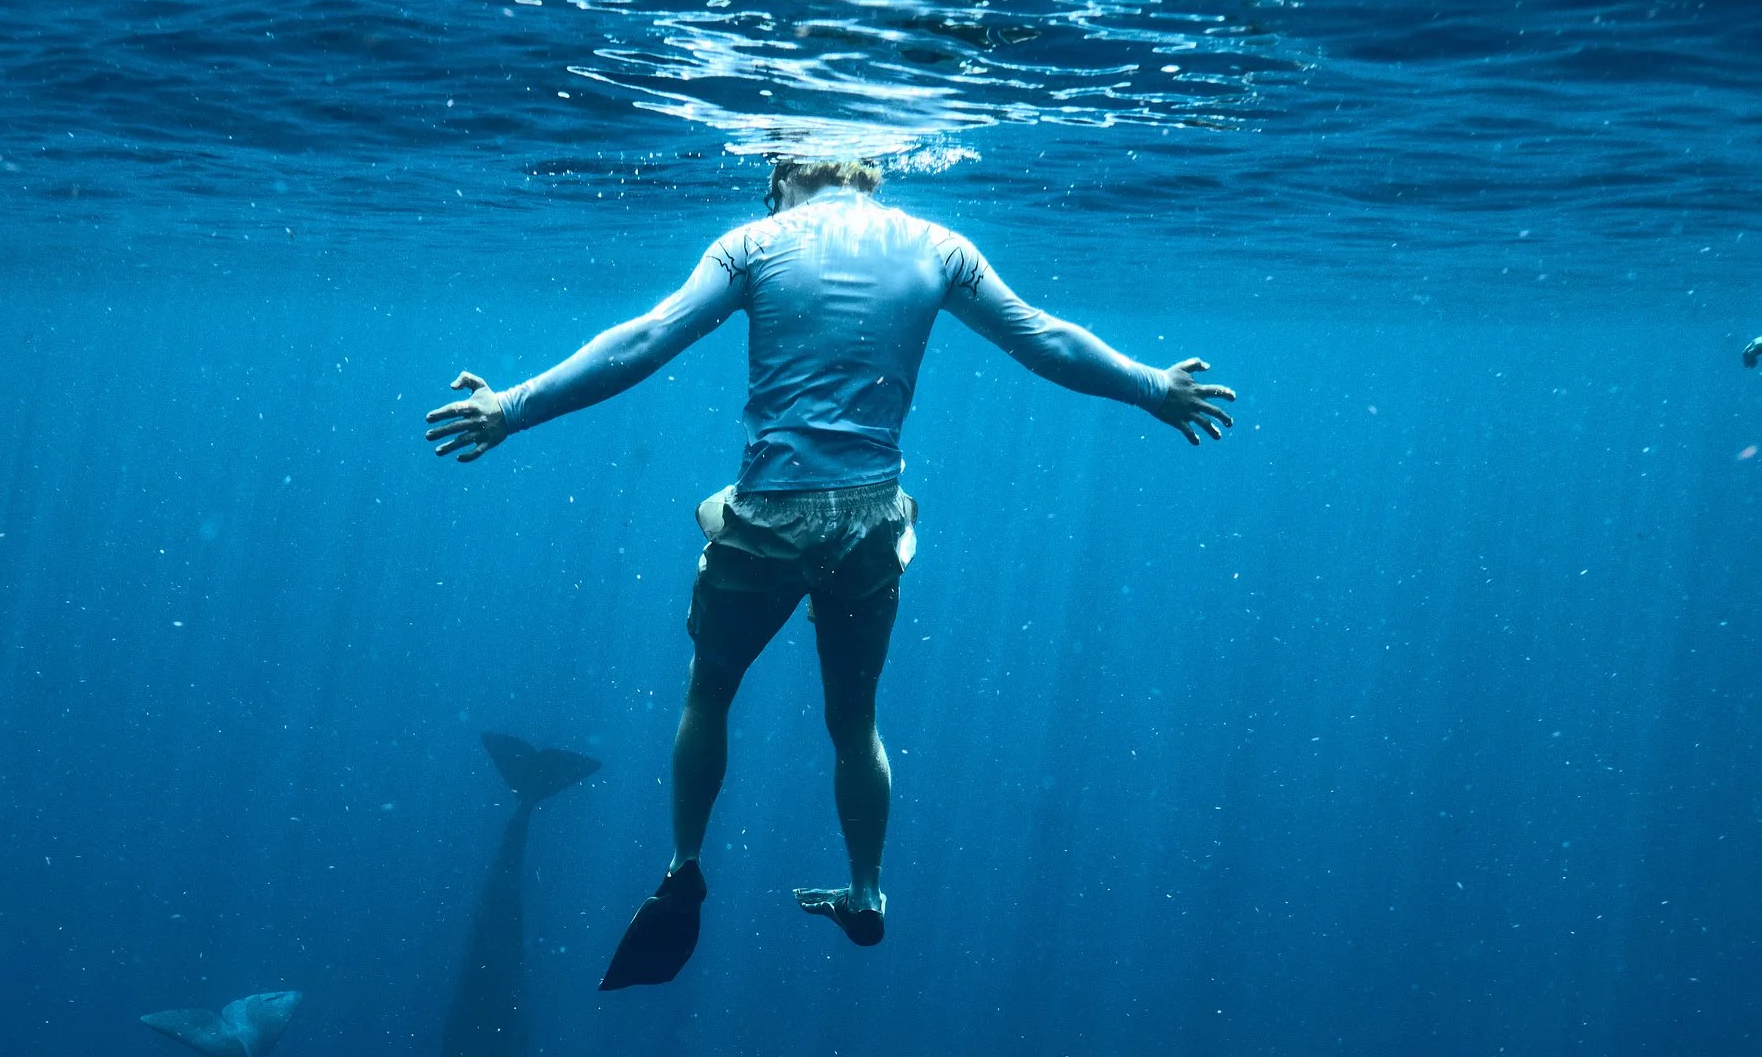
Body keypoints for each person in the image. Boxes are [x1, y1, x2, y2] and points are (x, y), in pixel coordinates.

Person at [424, 156, 1236, 988]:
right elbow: (1045, 336)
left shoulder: (755, 242)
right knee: (855, 720)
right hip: (870, 520)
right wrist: (1152, 388)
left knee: (711, 694)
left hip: (772, 516)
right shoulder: (939, 247)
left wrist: (511, 407)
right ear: (874, 175)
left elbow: (642, 340)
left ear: (781, 172)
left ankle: (684, 865)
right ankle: (868, 889)